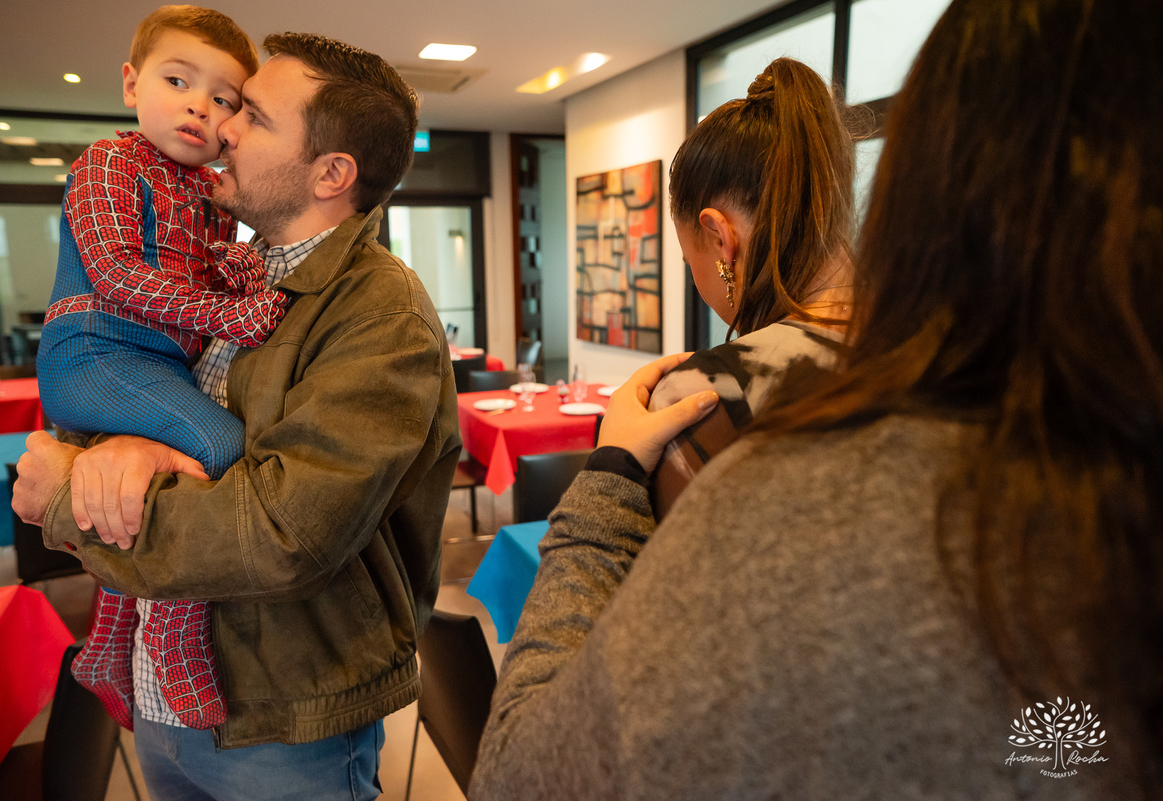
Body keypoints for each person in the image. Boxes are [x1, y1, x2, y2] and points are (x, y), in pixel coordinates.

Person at [470, 0, 1158, 798]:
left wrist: (613, 471)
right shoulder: (1076, 473)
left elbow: (530, 772)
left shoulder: (715, 404)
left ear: (720, 240)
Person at [14, 31, 460, 801]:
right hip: (165, 688)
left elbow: (283, 533)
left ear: (331, 172)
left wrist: (69, 498)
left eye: (251, 114)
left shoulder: (380, 310)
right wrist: (117, 445)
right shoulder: (234, 280)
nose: (223, 128)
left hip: (284, 719)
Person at [36, 4, 283, 734]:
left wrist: (239, 265)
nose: (198, 106)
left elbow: (207, 273)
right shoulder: (107, 163)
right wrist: (230, 314)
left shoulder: (210, 194)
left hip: (152, 364)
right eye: (178, 80)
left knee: (155, 484)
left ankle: (111, 639)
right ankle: (172, 637)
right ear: (129, 83)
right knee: (222, 447)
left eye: (222, 99)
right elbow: (113, 269)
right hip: (95, 351)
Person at [645, 57, 855, 517]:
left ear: (721, 239)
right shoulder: (933, 347)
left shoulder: (702, 398)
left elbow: (643, 585)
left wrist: (612, 464)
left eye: (688, 260)